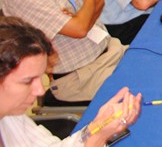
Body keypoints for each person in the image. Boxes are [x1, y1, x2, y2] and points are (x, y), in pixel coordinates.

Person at [0, 17, 141, 147]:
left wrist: (96, 126)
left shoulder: (11, 116)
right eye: (27, 81)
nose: (41, 90)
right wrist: (97, 138)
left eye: (40, 77)